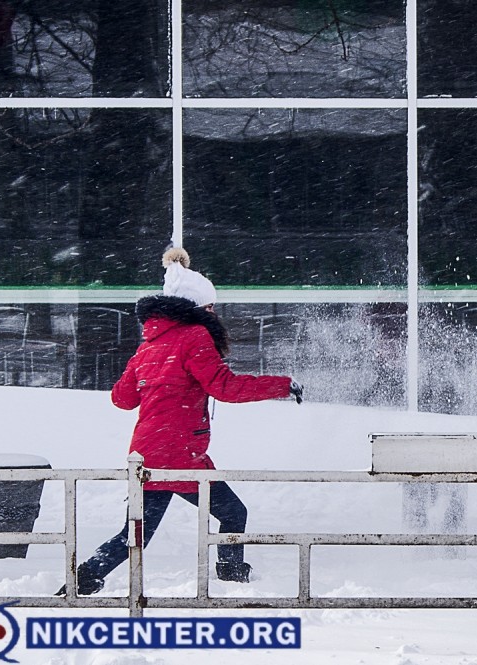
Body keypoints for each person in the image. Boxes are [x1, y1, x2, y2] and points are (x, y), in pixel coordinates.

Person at [60, 247, 305, 596]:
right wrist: (281, 385)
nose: (214, 312)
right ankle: (232, 575)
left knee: (136, 530)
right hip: (180, 452)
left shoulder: (148, 345)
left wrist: (149, 377)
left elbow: (121, 399)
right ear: (197, 309)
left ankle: (85, 577)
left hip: (147, 451)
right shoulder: (194, 337)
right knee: (233, 512)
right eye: (210, 307)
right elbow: (225, 388)